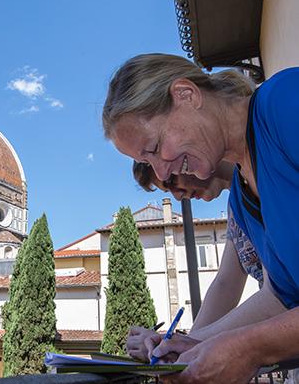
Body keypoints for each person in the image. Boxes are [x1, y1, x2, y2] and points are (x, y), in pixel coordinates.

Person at [102, 53, 299, 383]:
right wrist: (192, 344)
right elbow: (279, 299)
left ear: (186, 95)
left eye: (155, 147)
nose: (163, 171)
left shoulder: (284, 101)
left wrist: (250, 347)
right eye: (148, 163)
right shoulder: (242, 195)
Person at [127, 162, 285, 362]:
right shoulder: (237, 206)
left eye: (171, 180)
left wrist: (187, 343)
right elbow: (225, 284)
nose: (177, 195)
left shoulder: (265, 174)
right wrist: (180, 347)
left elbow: (279, 295)